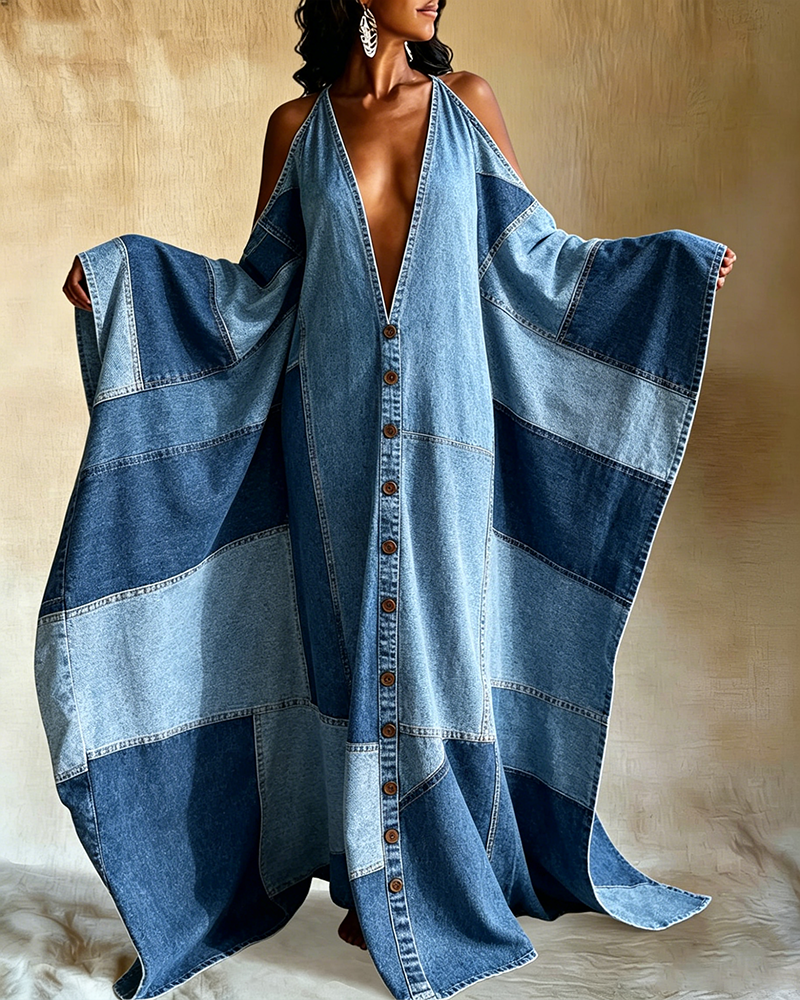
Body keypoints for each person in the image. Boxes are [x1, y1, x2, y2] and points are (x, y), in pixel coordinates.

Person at [51, 1, 736, 996]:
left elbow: (534, 258)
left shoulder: (468, 103)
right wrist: (126, 282)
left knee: (441, 640)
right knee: (345, 645)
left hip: (449, 424)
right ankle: (366, 871)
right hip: (328, 423)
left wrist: (667, 268)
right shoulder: (298, 128)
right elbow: (256, 291)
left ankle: (437, 871)